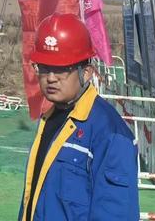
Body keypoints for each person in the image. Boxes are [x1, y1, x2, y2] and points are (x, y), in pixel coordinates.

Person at [18, 13, 138, 221]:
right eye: (45, 68)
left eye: (62, 69)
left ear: (87, 72)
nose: (51, 78)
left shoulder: (110, 135)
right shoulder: (50, 118)